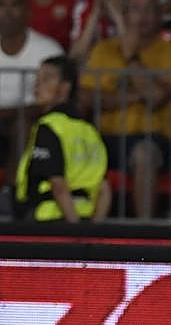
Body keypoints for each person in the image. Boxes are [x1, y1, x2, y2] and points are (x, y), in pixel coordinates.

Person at [83, 0, 171, 219]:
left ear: (161, 15)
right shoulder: (104, 49)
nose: (143, 16)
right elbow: (87, 98)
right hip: (105, 136)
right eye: (136, 9)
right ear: (126, 15)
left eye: (150, 9)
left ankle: (144, 229)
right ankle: (75, 232)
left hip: (154, 137)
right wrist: (137, 95)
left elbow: (157, 99)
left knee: (144, 154)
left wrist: (130, 57)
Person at [0, 0, 64, 184]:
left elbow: (49, 104)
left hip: (33, 128)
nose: (7, 12)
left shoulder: (48, 50)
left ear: (28, 11)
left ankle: (12, 197)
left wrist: (5, 113)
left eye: (15, 5)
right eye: (0, 5)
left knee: (22, 125)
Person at [15, 56, 110, 222]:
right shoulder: (90, 131)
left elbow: (58, 185)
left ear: (65, 87)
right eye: (37, 78)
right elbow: (104, 189)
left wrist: (74, 231)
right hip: (86, 217)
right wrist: (92, 231)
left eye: (47, 78)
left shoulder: (50, 127)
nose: (37, 84)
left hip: (49, 219)